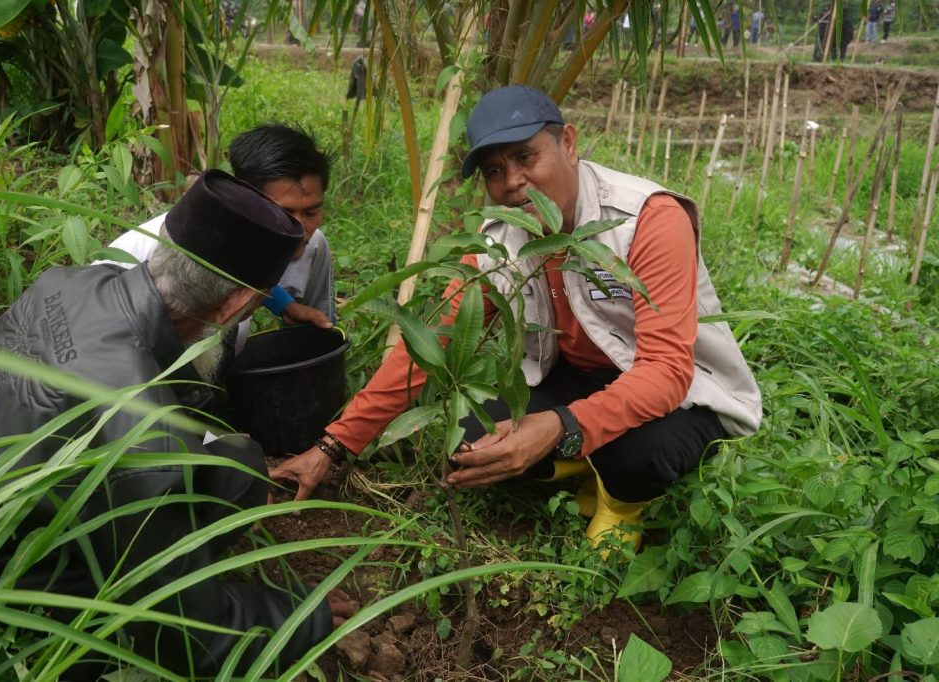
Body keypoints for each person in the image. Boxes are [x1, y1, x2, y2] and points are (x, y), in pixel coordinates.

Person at [271, 85, 762, 555]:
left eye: (526, 157)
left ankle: (619, 498)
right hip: (579, 378)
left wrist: (559, 425)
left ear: (567, 143)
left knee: (638, 456)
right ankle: (582, 460)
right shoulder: (499, 238)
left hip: (681, 390)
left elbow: (666, 371)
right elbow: (430, 345)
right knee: (465, 437)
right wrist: (333, 444)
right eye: (494, 170)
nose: (511, 182)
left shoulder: (644, 218)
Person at [0, 170, 353, 676]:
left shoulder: (69, 282)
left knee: (238, 468)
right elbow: (193, 642)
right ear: (234, 303)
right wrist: (300, 615)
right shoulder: (146, 437)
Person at [101, 123, 337, 340]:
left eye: (311, 213)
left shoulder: (310, 245)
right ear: (245, 199)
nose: (300, 231)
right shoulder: (164, 253)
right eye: (284, 214)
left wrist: (284, 304)